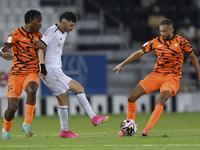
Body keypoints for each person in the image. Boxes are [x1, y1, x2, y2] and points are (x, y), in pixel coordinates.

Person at [113, 19, 200, 136]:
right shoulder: (155, 42)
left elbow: (193, 58)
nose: (162, 34)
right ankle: (129, 126)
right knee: (131, 97)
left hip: (172, 78)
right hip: (155, 76)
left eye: (165, 31)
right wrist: (122, 64)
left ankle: (147, 129)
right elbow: (139, 53)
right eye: (160, 31)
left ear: (172, 30)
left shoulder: (181, 41)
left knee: (161, 99)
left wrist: (199, 75)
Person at [35, 11, 108, 138]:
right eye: (71, 25)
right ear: (63, 23)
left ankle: (65, 130)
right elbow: (40, 47)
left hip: (56, 70)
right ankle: (92, 118)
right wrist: (42, 67)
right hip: (51, 70)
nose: (73, 28)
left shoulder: (63, 32)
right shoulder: (52, 31)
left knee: (67, 98)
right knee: (75, 91)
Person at [0, 10, 47, 140]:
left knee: (32, 90)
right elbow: (3, 48)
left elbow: (42, 52)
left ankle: (26, 124)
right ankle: (5, 131)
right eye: (38, 21)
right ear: (30, 21)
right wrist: (3, 54)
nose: (40, 23)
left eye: (41, 20)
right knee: (12, 109)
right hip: (16, 75)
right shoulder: (15, 33)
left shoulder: (38, 36)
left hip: (31, 72)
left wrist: (43, 47)